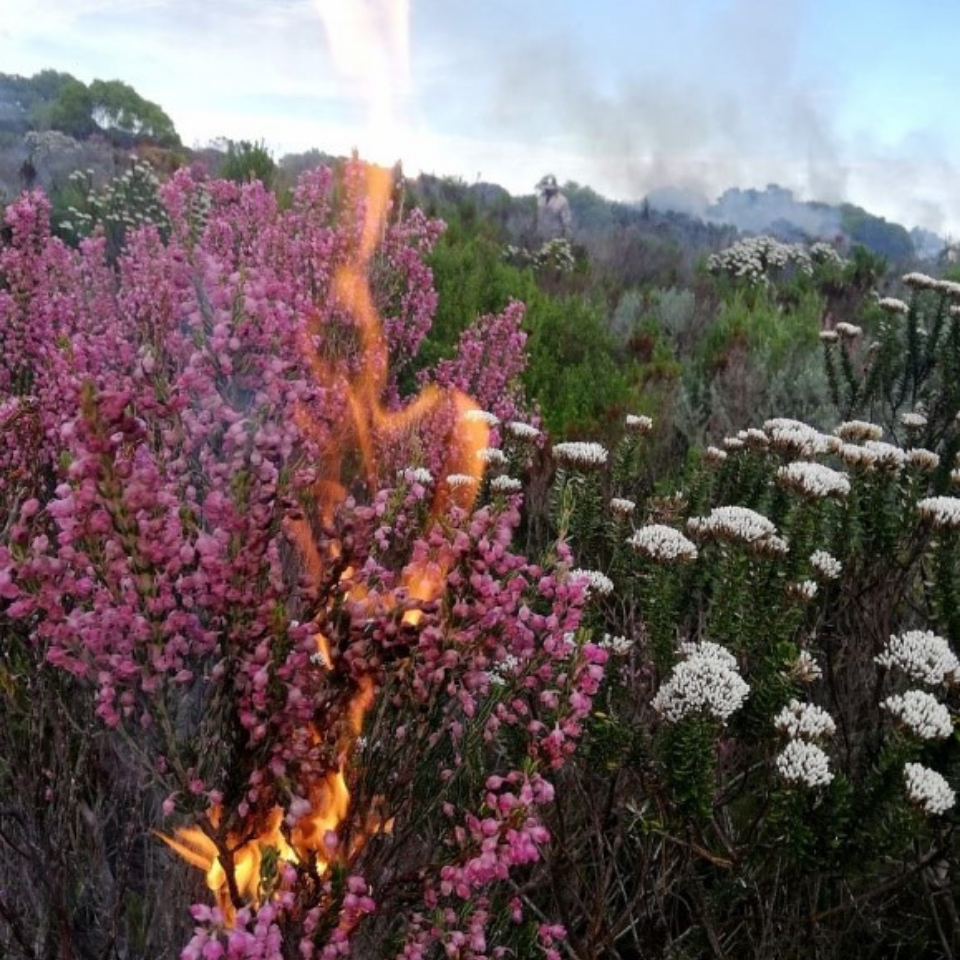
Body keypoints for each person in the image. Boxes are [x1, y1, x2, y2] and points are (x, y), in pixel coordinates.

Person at [535, 174, 571, 241]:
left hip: (556, 235)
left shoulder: (562, 200)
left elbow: (566, 220)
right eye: (546, 188)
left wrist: (564, 233)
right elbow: (537, 215)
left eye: (550, 188)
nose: (548, 190)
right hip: (540, 235)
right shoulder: (540, 198)